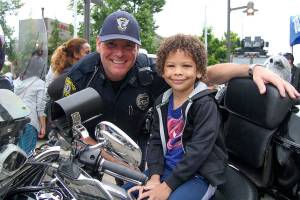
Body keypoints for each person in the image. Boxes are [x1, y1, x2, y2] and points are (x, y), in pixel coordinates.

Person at [54, 10, 299, 169]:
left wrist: (252, 70)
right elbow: (68, 124)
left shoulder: (148, 72)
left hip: (143, 158)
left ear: (137, 49)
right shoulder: (80, 76)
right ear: (98, 44)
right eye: (111, 44)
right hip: (95, 157)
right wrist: (107, 158)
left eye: (128, 45)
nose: (119, 53)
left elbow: (206, 73)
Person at [128, 34, 226, 200]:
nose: (178, 72)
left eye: (186, 66)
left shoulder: (205, 105)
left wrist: (167, 186)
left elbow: (199, 151)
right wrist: (154, 177)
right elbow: (156, 141)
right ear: (162, 70)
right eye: (171, 66)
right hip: (166, 170)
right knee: (122, 193)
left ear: (199, 70)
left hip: (199, 175)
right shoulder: (162, 101)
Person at [14, 49, 47, 155]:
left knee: (17, 155)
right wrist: (43, 126)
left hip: (15, 122)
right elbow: (40, 107)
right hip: (30, 121)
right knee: (27, 156)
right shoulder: (39, 83)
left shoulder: (17, 82)